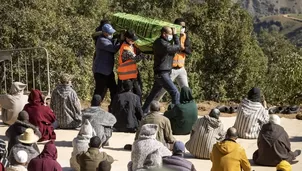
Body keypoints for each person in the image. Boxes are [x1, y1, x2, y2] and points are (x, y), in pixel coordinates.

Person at [142, 26, 181, 114]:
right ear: (164, 34)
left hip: (161, 73)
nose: (171, 36)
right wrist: (175, 35)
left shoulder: (160, 42)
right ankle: (175, 115)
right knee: (175, 92)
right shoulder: (163, 44)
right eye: (170, 34)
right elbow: (178, 47)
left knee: (153, 94)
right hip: (162, 73)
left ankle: (143, 112)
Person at [154, 18, 192, 102]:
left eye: (184, 27)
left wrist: (183, 48)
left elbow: (189, 51)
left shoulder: (185, 36)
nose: (183, 28)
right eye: (181, 26)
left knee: (186, 89)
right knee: (162, 90)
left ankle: (187, 108)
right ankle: (153, 105)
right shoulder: (170, 36)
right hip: (171, 69)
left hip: (181, 69)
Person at [92, 23, 120, 107]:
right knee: (99, 91)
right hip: (101, 71)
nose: (111, 34)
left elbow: (113, 42)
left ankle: (113, 107)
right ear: (104, 32)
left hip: (107, 71)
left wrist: (117, 39)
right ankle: (94, 108)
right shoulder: (101, 40)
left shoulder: (108, 39)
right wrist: (121, 41)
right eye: (109, 33)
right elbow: (113, 49)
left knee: (114, 90)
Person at [117, 30, 150, 100]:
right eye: (132, 39)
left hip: (132, 74)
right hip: (126, 76)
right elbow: (136, 59)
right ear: (127, 38)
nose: (134, 41)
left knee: (138, 92)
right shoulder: (125, 48)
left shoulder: (131, 45)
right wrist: (144, 52)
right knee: (127, 94)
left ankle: (137, 108)